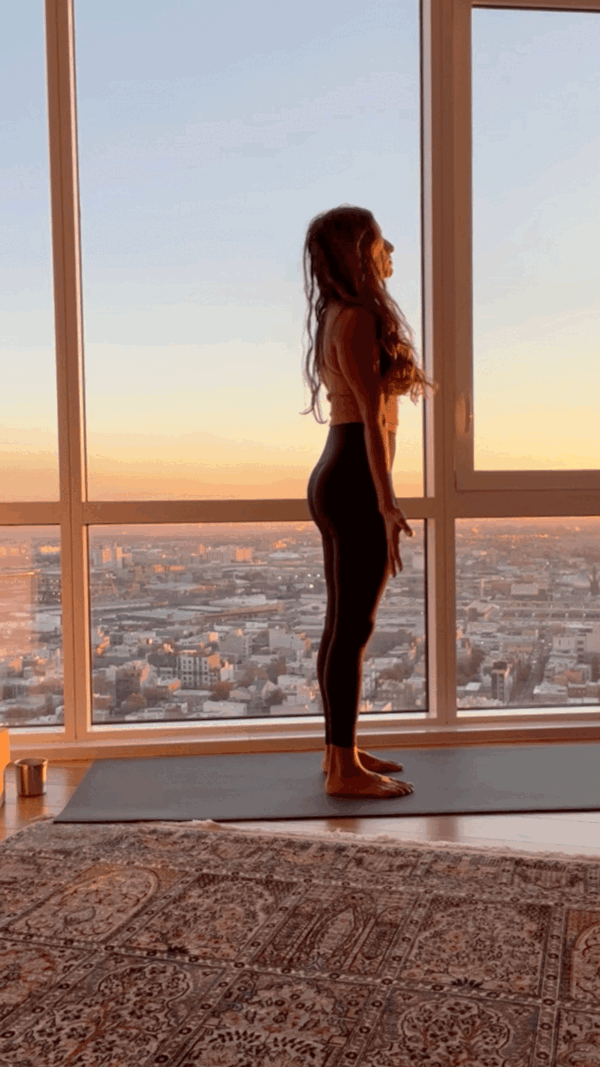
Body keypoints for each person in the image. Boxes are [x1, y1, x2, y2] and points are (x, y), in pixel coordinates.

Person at [301, 205, 436, 798]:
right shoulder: (355, 318)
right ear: (359, 251)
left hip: (338, 470)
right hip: (354, 474)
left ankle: (341, 753)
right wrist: (387, 503)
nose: (391, 251)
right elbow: (373, 424)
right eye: (382, 242)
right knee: (354, 627)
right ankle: (343, 771)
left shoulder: (338, 314)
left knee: (342, 625)